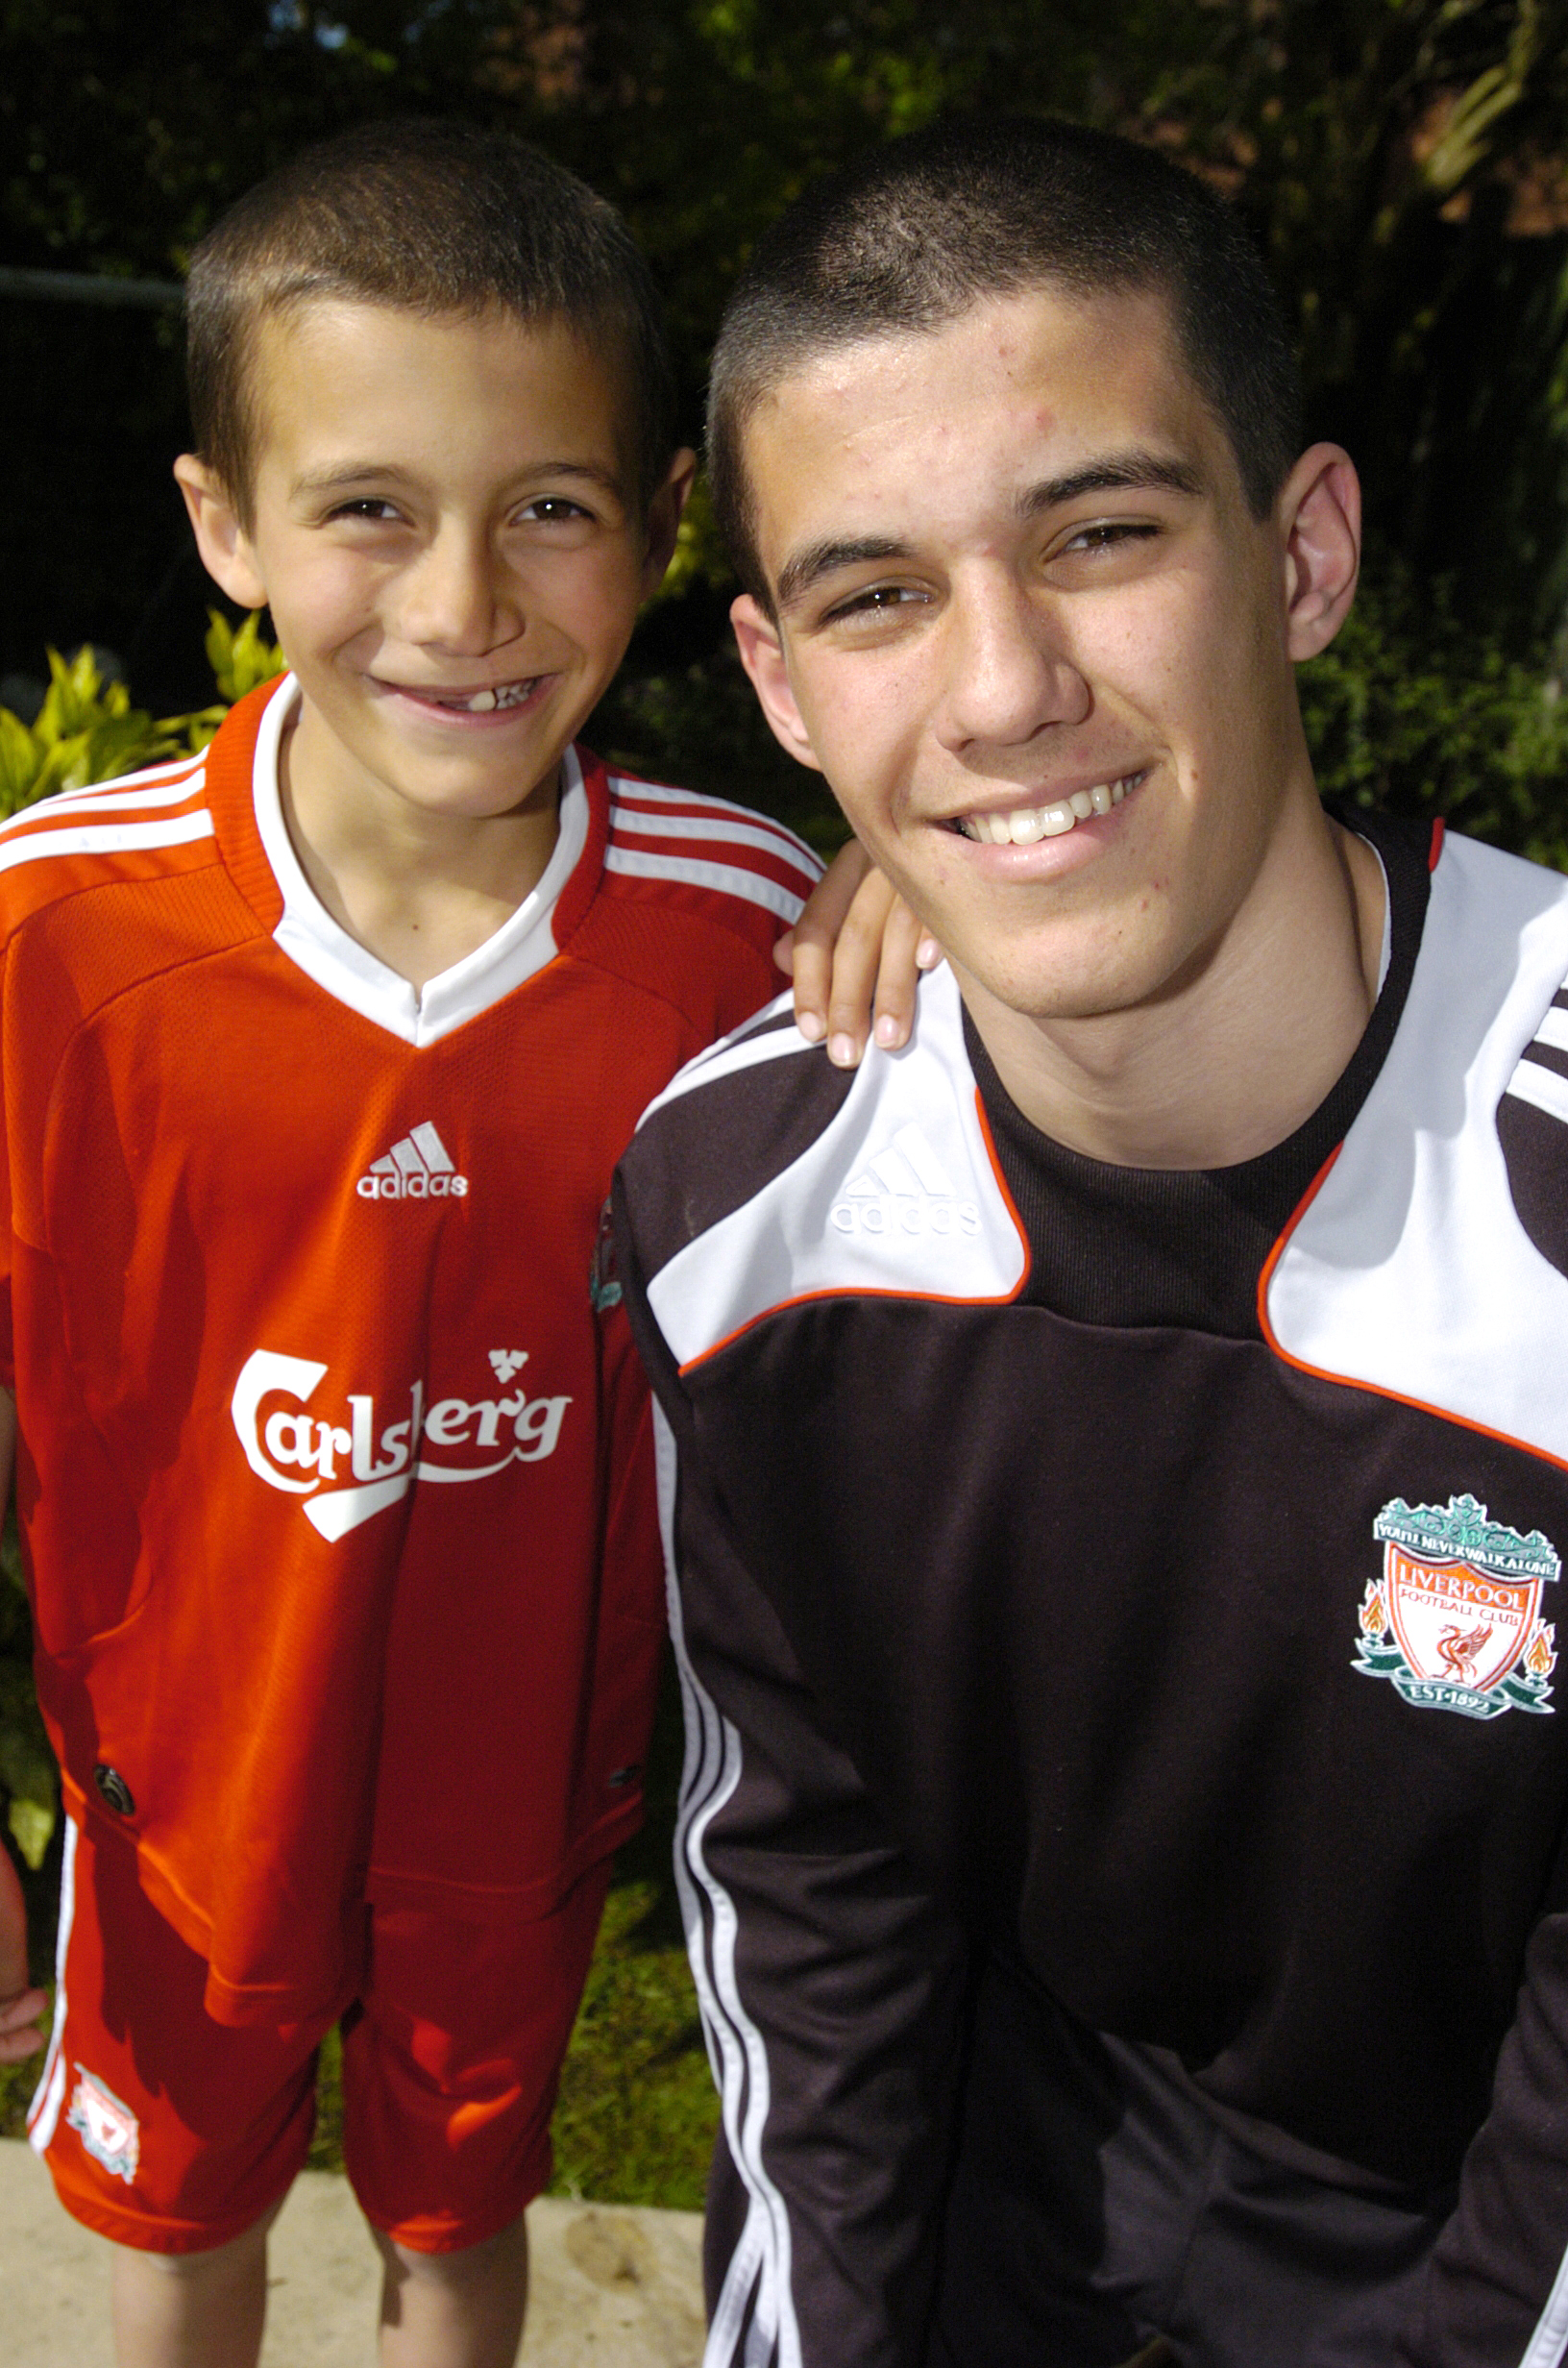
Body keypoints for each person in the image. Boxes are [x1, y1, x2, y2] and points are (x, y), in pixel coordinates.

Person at [612, 114, 1568, 2368]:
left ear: (1305, 551)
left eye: (1101, 534)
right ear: (777, 683)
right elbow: (808, 1943)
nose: (1002, 684)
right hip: (1022, 2236)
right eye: (876, 594)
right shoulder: (743, 1211)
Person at [0, 117, 915, 2368]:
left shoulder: (751, 931)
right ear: (224, 524)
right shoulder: (53, 925)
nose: (463, 603)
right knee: (178, 2237)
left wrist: (923, 891)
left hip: (532, 1798)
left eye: (552, 511)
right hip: (173, 1784)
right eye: (369, 509)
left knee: (451, 2236)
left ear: (664, 530)